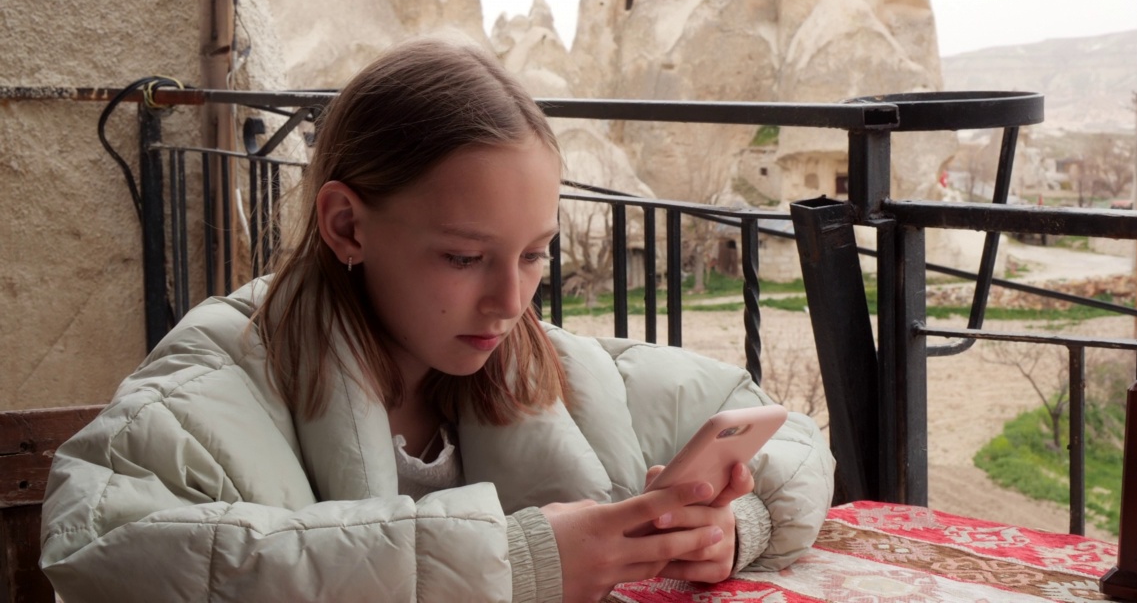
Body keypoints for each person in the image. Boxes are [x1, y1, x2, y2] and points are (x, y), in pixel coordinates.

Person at [40, 38, 834, 602]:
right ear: (347, 227)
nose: (509, 302)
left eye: (533, 255)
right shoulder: (220, 375)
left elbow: (787, 434)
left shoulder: (551, 364)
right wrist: (511, 564)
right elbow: (101, 550)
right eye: (463, 258)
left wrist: (736, 528)